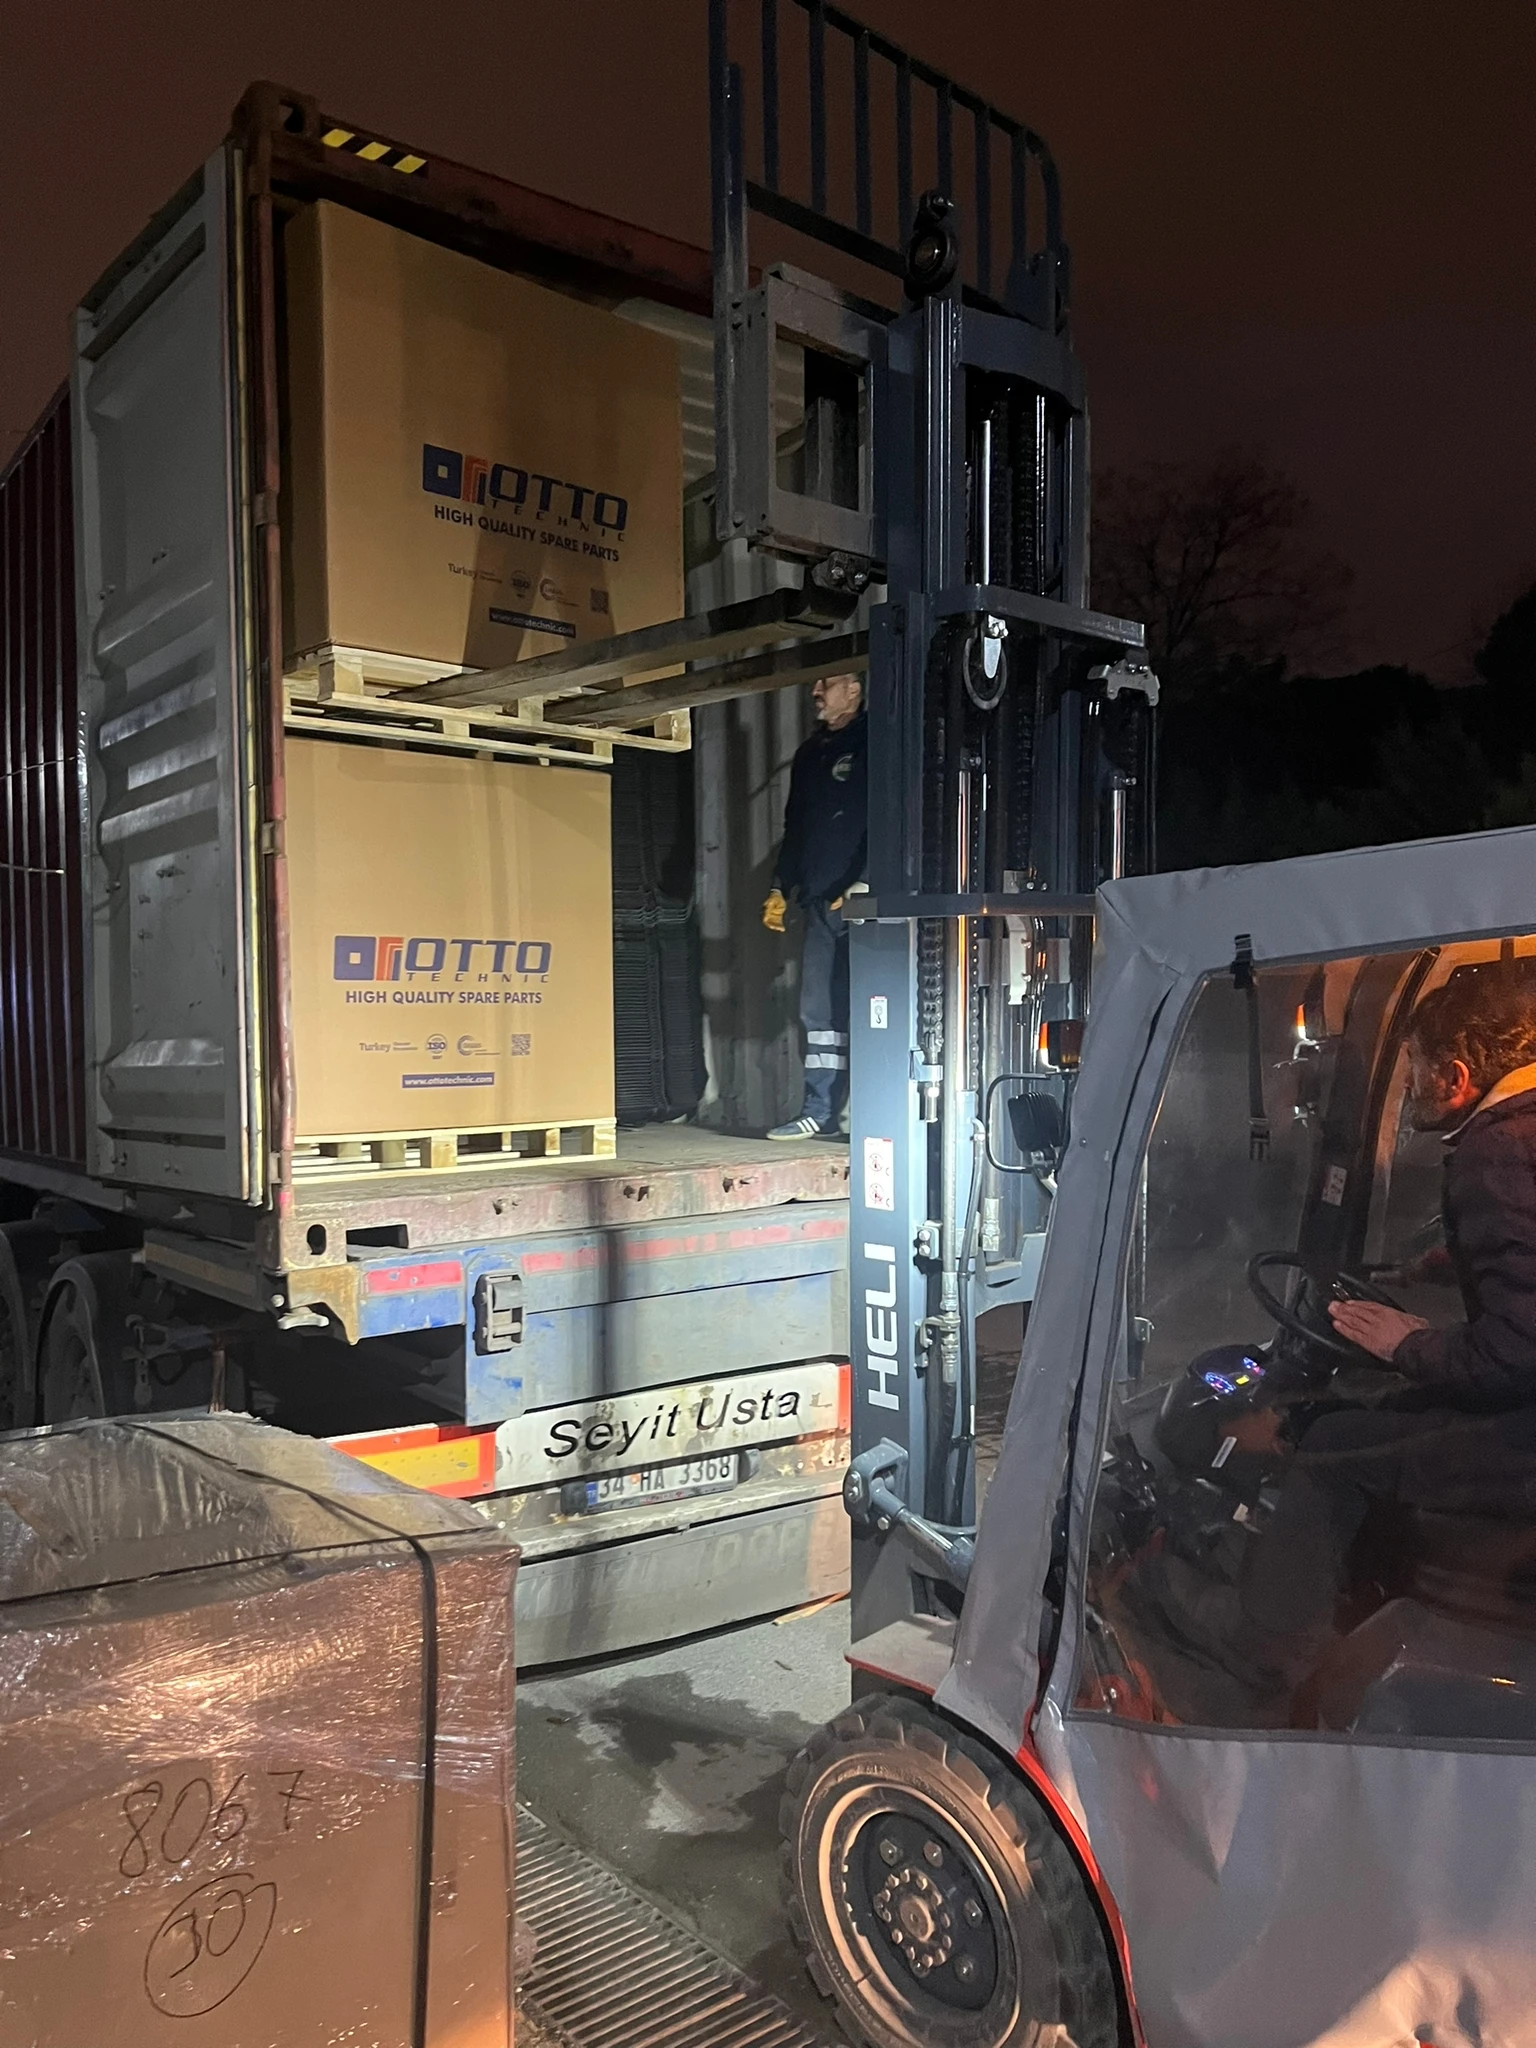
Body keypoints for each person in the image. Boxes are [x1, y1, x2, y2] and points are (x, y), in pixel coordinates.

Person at [1147, 961, 1536, 1704]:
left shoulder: (1498, 1152)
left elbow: (1518, 1351)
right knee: (1382, 1405)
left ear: (1457, 1076)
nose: (1410, 1087)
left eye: (1415, 1070)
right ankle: (1351, 1593)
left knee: (1332, 1444)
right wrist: (1440, 1265)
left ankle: (1264, 1644)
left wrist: (1407, 1344)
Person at [762, 672, 867, 1140]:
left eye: (828, 682)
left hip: (868, 904)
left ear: (854, 690)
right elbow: (796, 827)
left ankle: (871, 1114)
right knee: (818, 1011)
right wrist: (779, 887)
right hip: (821, 902)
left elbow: (893, 814)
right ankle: (818, 1110)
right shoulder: (810, 753)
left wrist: (867, 880)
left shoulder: (877, 741)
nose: (816, 691)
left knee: (873, 1008)